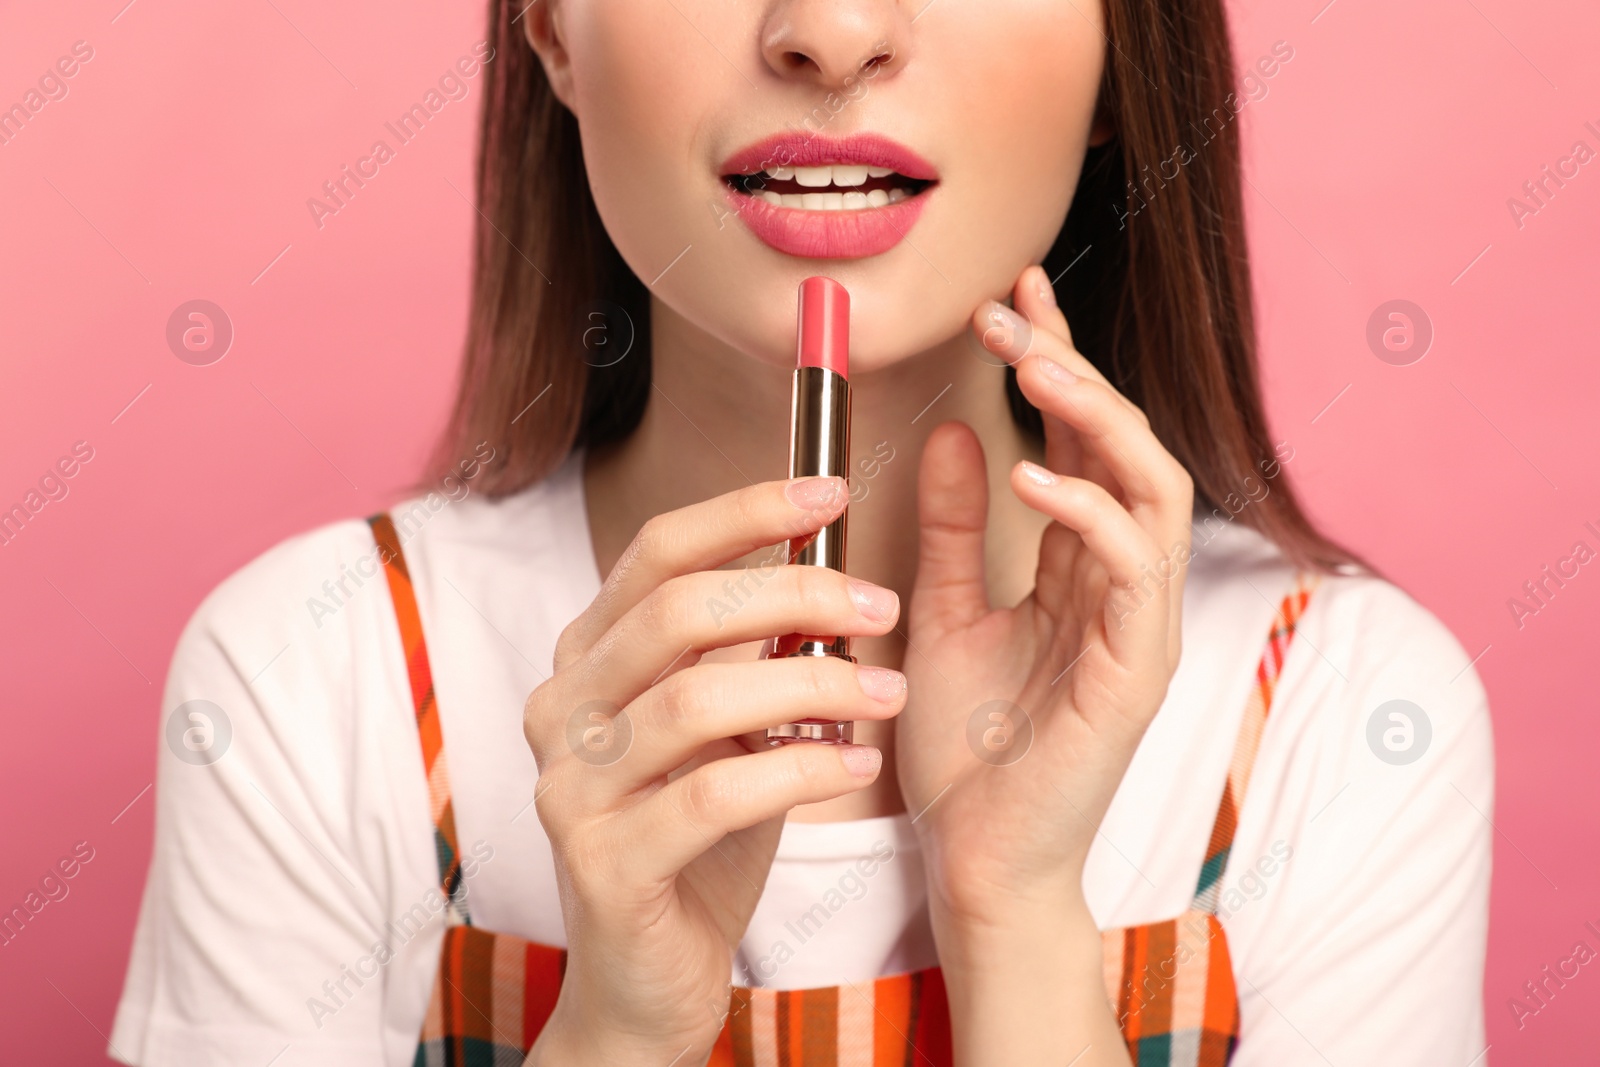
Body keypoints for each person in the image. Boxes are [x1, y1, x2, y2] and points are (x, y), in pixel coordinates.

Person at [110, 0, 1494, 1063]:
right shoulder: (314, 678)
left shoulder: (1342, 707)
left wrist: (1014, 932)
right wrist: (620, 1028)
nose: (832, 33)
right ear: (551, 28)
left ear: (1120, 48)